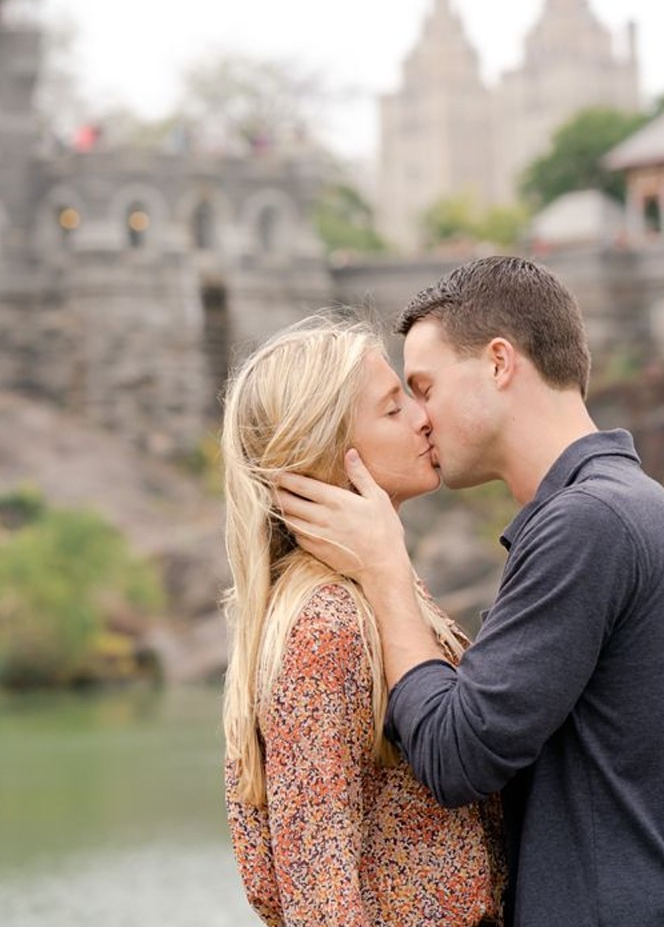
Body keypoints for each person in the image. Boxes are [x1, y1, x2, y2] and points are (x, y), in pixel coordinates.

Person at [276, 257, 664, 926]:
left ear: (500, 363)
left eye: (424, 386)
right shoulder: (659, 519)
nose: (421, 418)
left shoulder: (585, 524)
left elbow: (456, 757)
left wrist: (385, 570)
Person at [220, 316, 505, 927]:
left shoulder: (379, 592)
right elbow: (319, 895)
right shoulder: (326, 625)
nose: (423, 417)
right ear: (328, 450)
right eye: (392, 408)